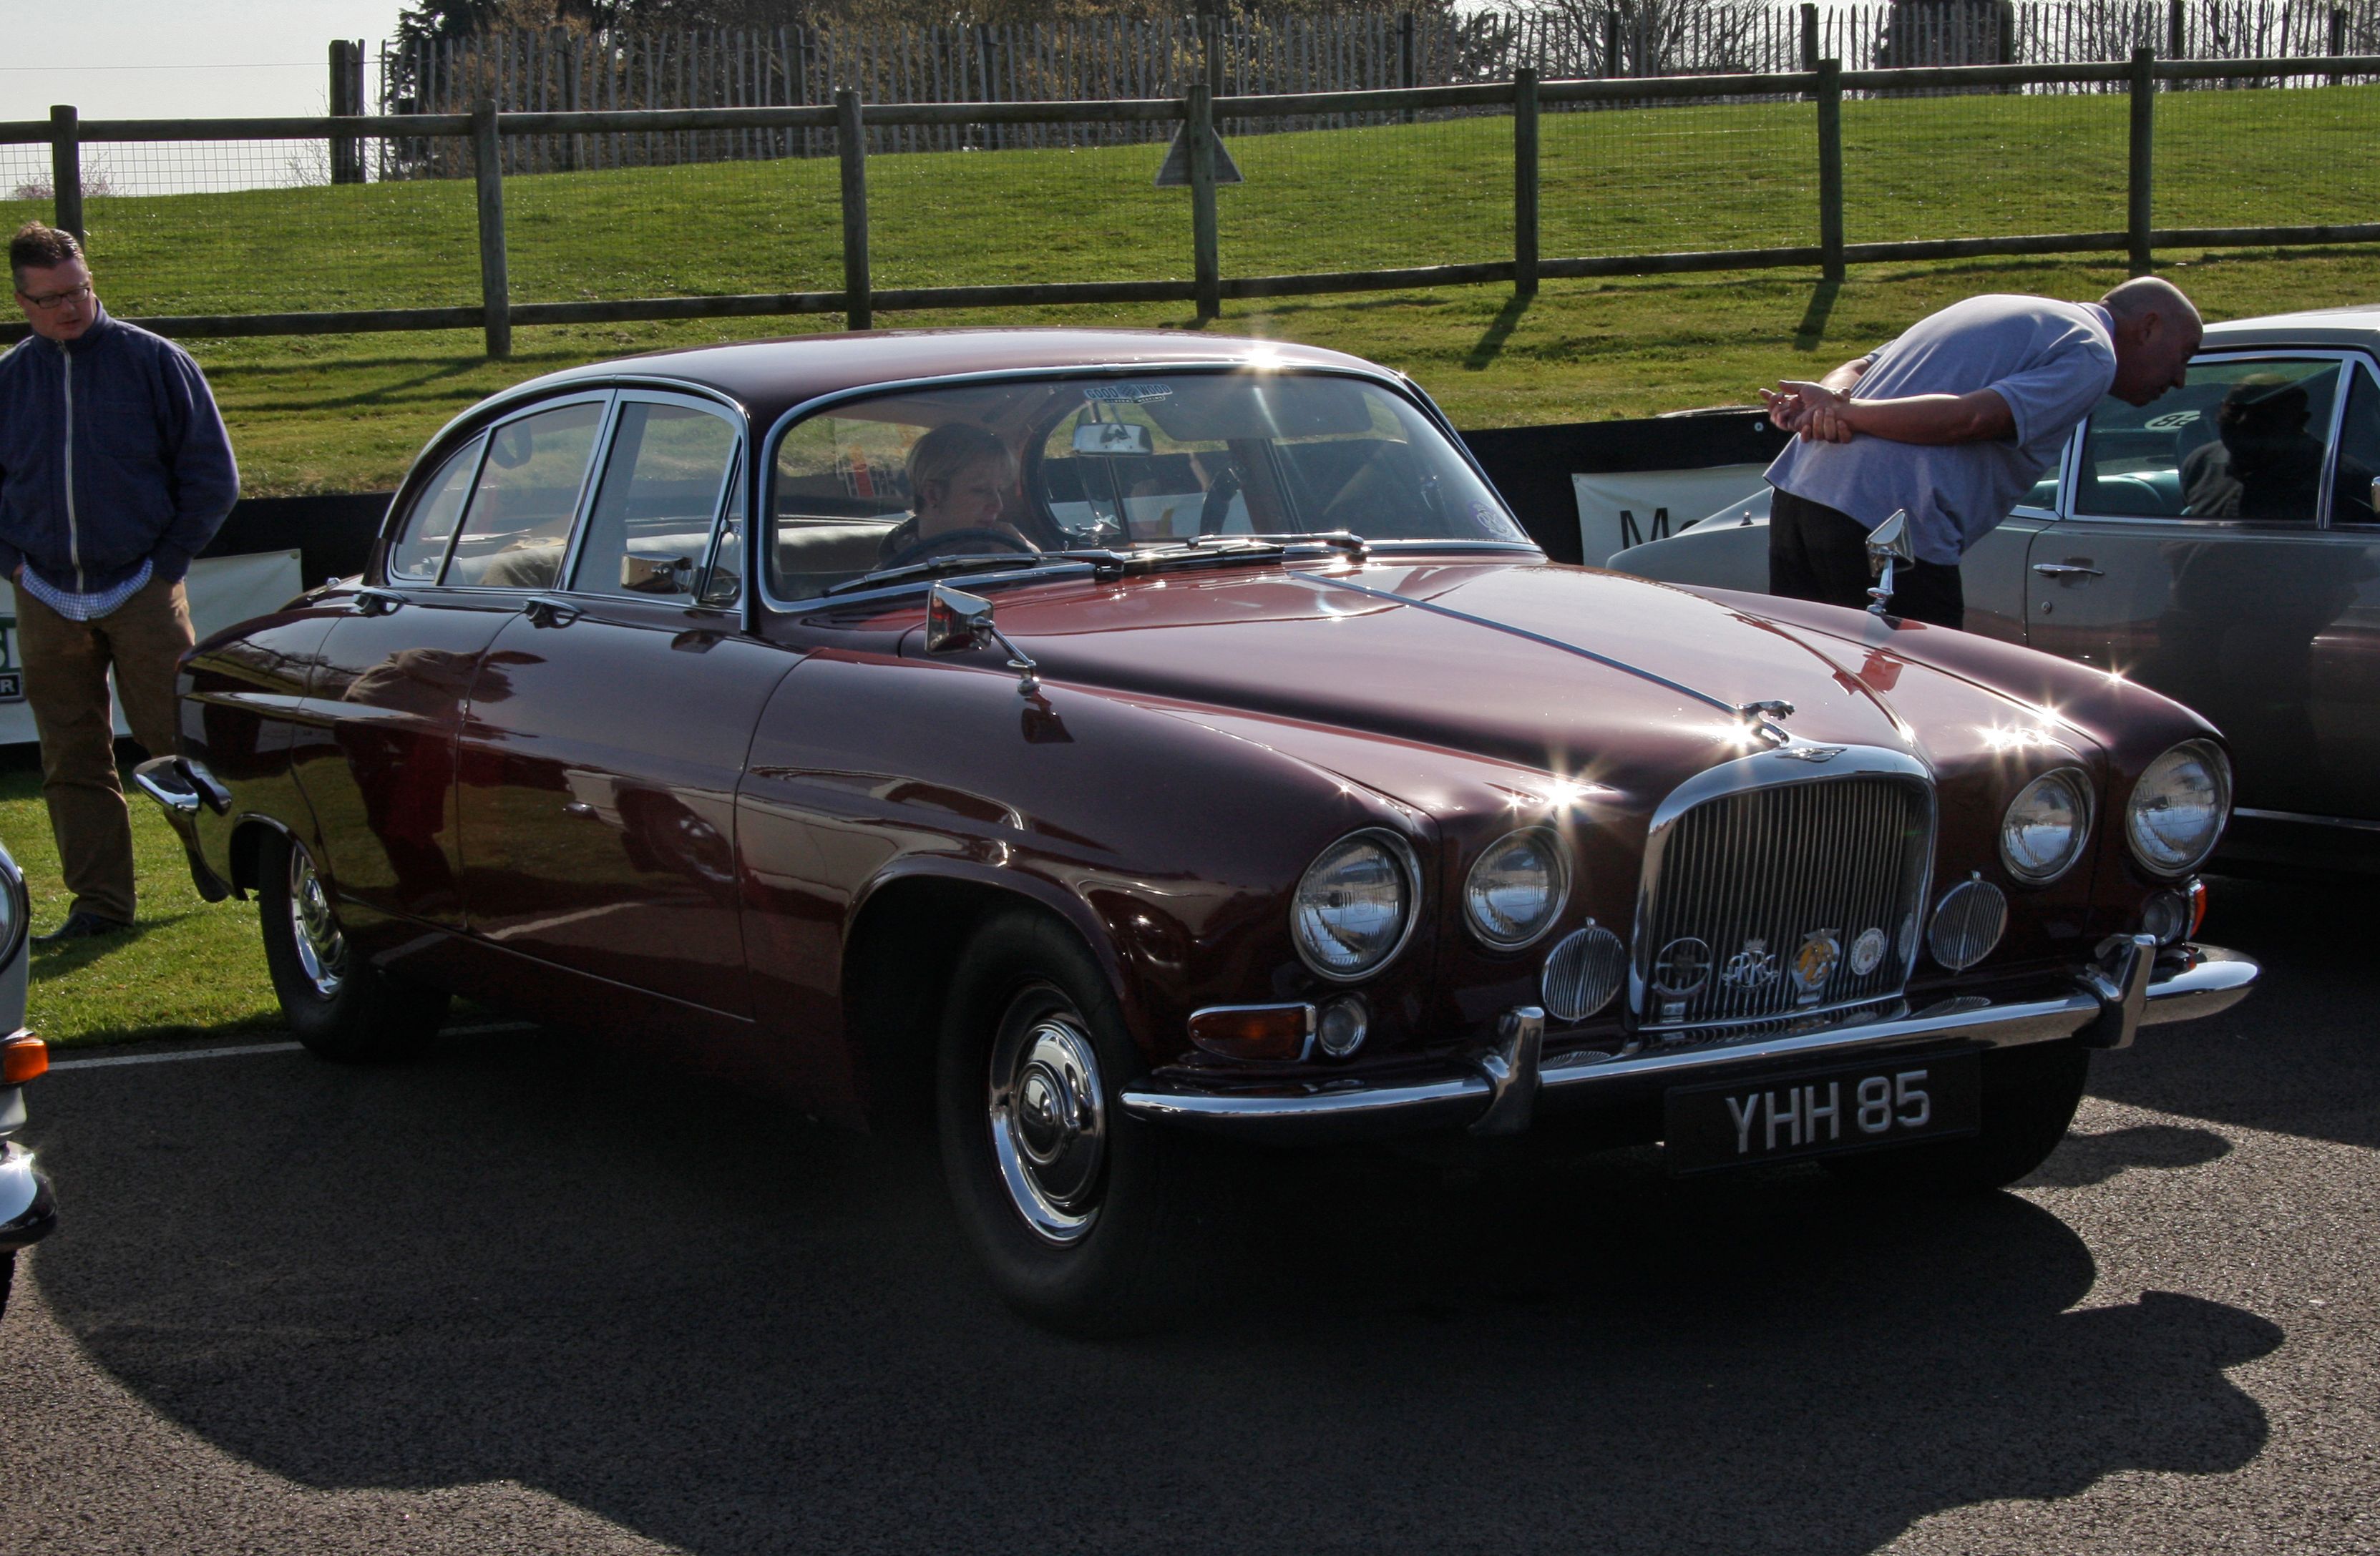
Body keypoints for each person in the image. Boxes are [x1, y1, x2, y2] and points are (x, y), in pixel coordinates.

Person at [0, 222, 239, 943]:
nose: (69, 309)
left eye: (78, 290)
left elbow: (213, 479)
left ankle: (218, 861)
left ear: (90, 279)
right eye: (50, 299)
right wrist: (14, 565)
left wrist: (166, 567)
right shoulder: (11, 379)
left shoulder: (155, 362)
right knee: (71, 757)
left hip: (143, 589)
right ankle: (100, 904)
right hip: (43, 593)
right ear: (22, 302)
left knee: (175, 741)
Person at [1758, 277, 2201, 629]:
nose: (2180, 378)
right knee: (1919, 694)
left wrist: (1830, 401)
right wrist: (1845, 411)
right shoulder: (2093, 354)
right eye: (2185, 355)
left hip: (1800, 496)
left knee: (1821, 680)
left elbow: (1859, 367)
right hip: (1886, 527)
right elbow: (1969, 421)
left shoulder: (1998, 305)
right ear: (2148, 327)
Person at [875, 423, 1036, 569]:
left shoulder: (1007, 549)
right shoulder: (891, 572)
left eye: (999, 490)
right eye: (980, 490)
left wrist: (1026, 553)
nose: (997, 505)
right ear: (933, 494)